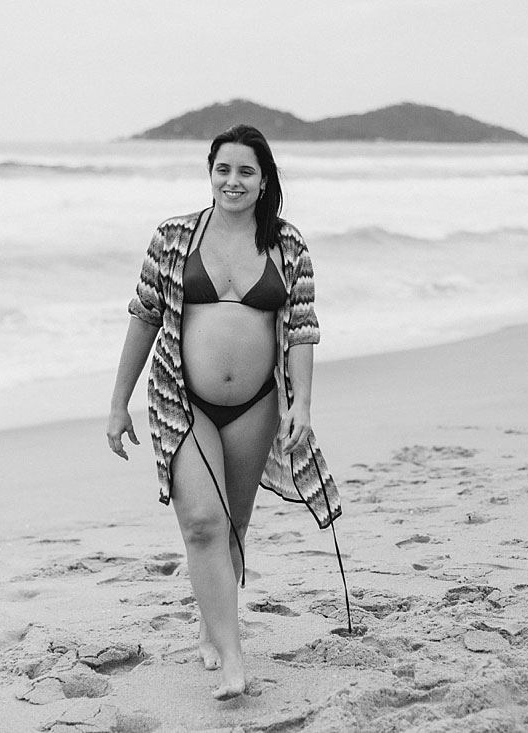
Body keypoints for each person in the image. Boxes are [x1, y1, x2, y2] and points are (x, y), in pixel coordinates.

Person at [106, 124, 344, 701]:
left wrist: (303, 406)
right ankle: (234, 659)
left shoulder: (287, 245)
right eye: (223, 169)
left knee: (234, 525)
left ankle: (214, 627)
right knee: (202, 523)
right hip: (183, 399)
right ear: (210, 174)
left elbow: (303, 331)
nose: (232, 181)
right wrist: (117, 404)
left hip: (257, 403)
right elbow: (142, 317)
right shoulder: (172, 237)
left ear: (264, 182)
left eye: (246, 171)